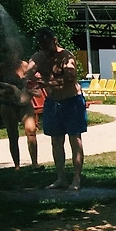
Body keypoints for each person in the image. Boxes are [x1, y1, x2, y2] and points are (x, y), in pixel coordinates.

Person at [32, 27, 86, 189]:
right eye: (41, 44)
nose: (44, 47)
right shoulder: (39, 57)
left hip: (72, 101)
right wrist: (25, 80)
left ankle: (76, 179)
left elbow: (70, 78)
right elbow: (28, 72)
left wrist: (47, 82)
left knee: (74, 139)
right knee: (56, 141)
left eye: (46, 43)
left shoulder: (66, 57)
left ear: (54, 40)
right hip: (53, 103)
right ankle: (61, 178)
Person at [0, 52, 40, 169]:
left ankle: (35, 163)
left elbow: (34, 83)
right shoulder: (2, 67)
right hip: (8, 104)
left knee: (31, 131)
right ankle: (17, 165)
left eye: (14, 53)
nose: (11, 55)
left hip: (24, 103)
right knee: (13, 135)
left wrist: (31, 90)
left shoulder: (24, 65)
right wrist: (2, 92)